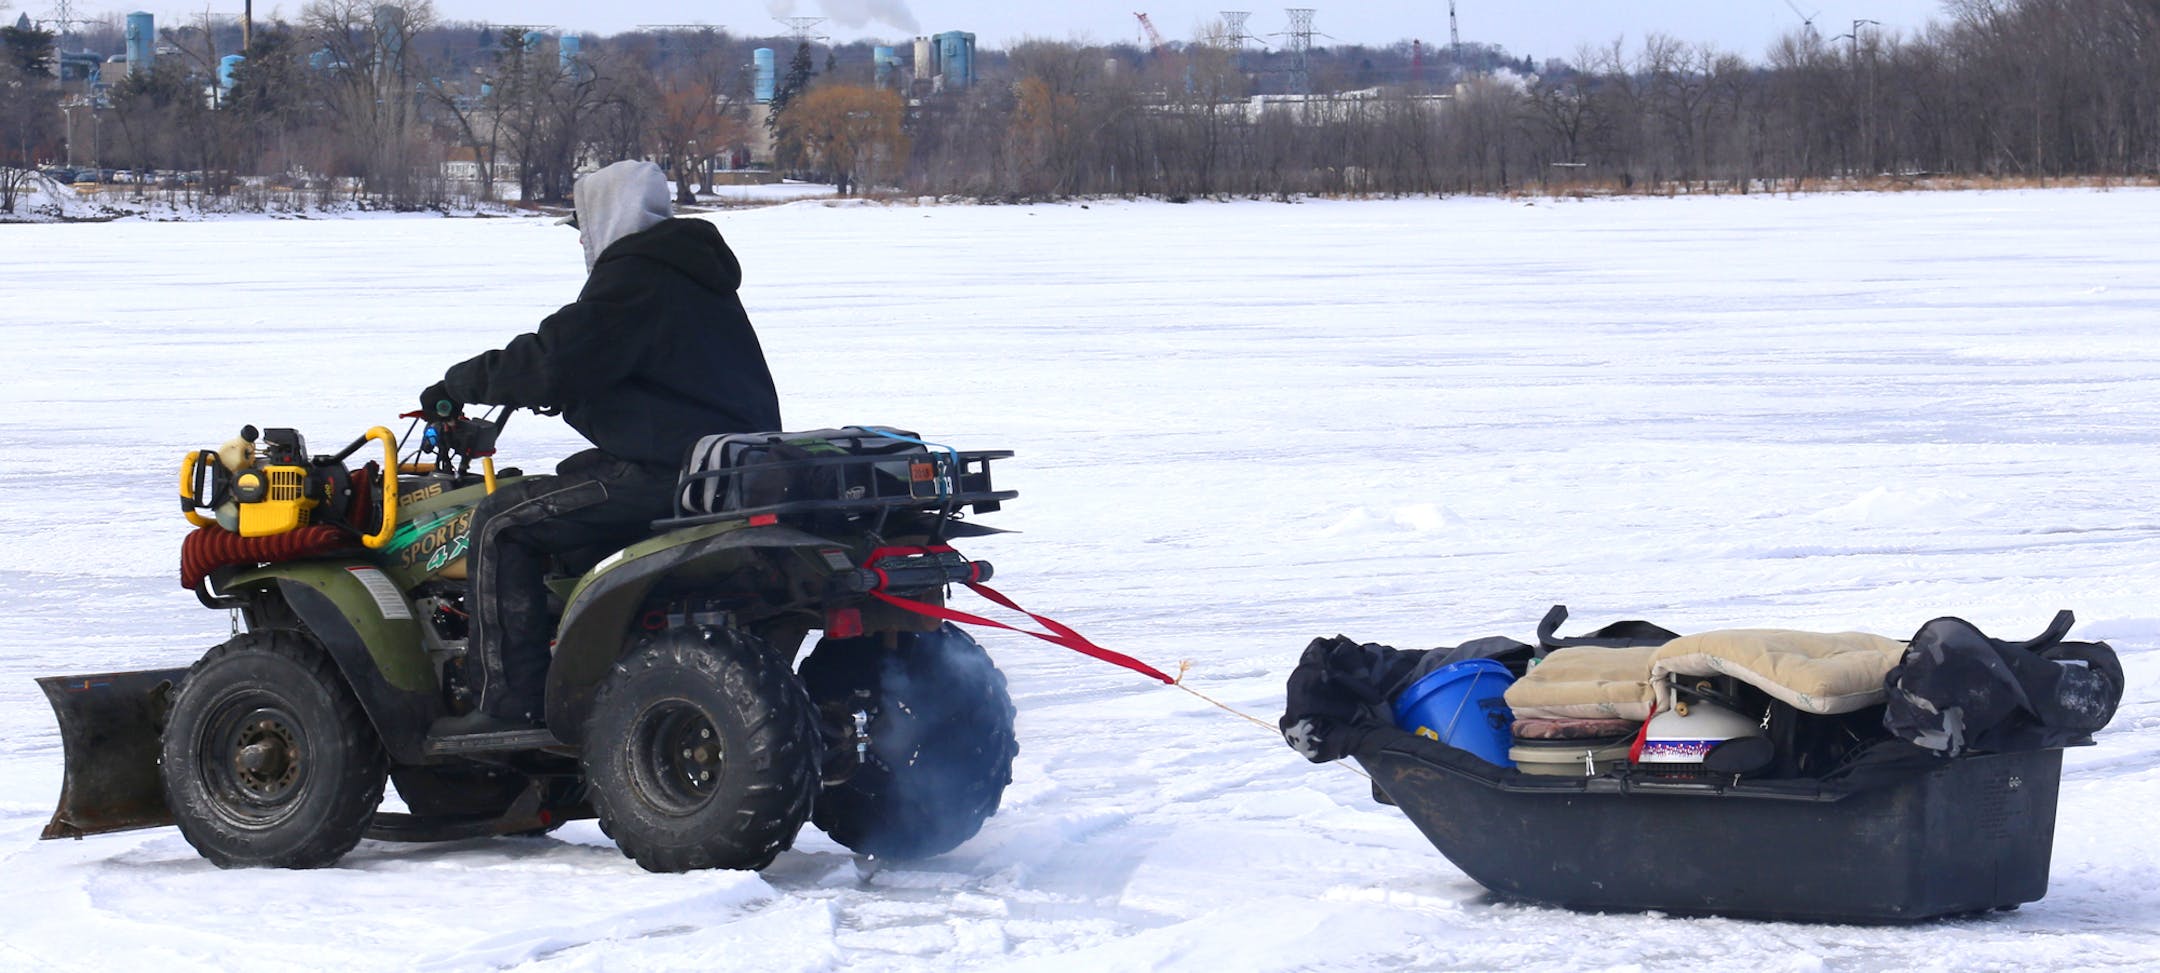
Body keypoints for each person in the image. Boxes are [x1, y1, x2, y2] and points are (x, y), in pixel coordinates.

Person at [421, 160, 781, 734]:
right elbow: (642, 375)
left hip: (671, 471)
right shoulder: (695, 276)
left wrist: (460, 384)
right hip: (730, 466)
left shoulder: (636, 275)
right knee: (574, 474)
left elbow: (553, 358)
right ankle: (590, 649)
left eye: (583, 226)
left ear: (606, 216)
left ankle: (506, 704)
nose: (583, 241)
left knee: (499, 521)